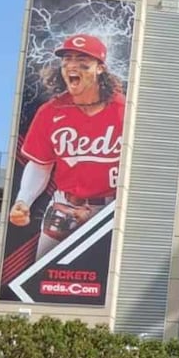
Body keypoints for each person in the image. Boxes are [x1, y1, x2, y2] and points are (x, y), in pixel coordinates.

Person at [8, 34, 126, 259]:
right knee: (44, 277)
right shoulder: (51, 111)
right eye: (67, 59)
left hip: (110, 210)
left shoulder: (123, 109)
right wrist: (23, 200)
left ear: (100, 68)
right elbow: (41, 164)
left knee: (107, 281)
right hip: (65, 206)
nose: (72, 65)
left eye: (82, 60)